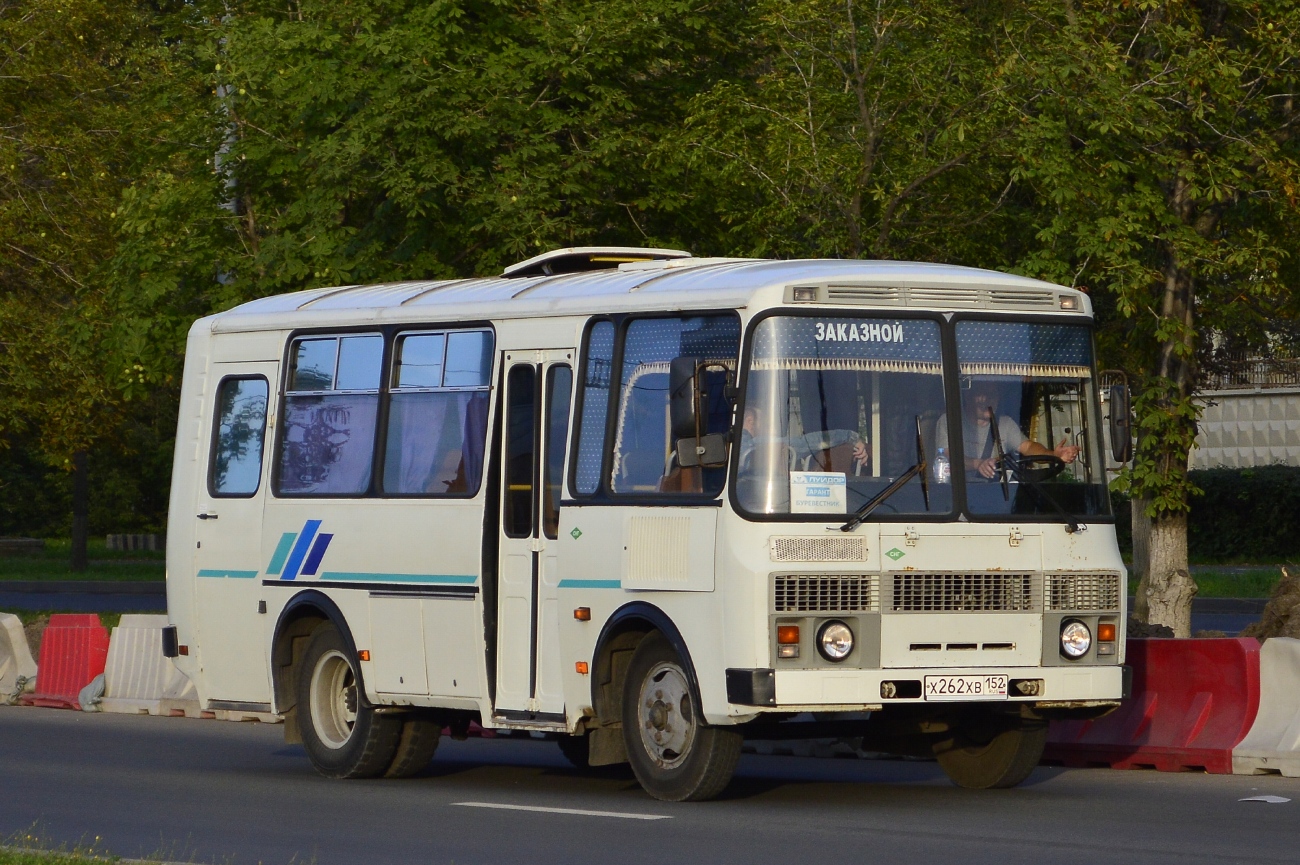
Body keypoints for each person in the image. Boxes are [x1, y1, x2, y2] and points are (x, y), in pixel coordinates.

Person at [936, 380, 1080, 479]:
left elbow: (1028, 447)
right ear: (968, 397)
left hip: (998, 497)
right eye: (983, 395)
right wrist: (978, 464)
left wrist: (1053, 454)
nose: (988, 401)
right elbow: (947, 458)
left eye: (993, 395)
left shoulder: (1004, 424)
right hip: (959, 500)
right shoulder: (950, 421)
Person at [738, 404, 868, 474]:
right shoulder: (756, 444)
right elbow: (805, 443)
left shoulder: (726, 445)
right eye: (764, 425)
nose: (767, 430)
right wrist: (849, 436)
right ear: (750, 421)